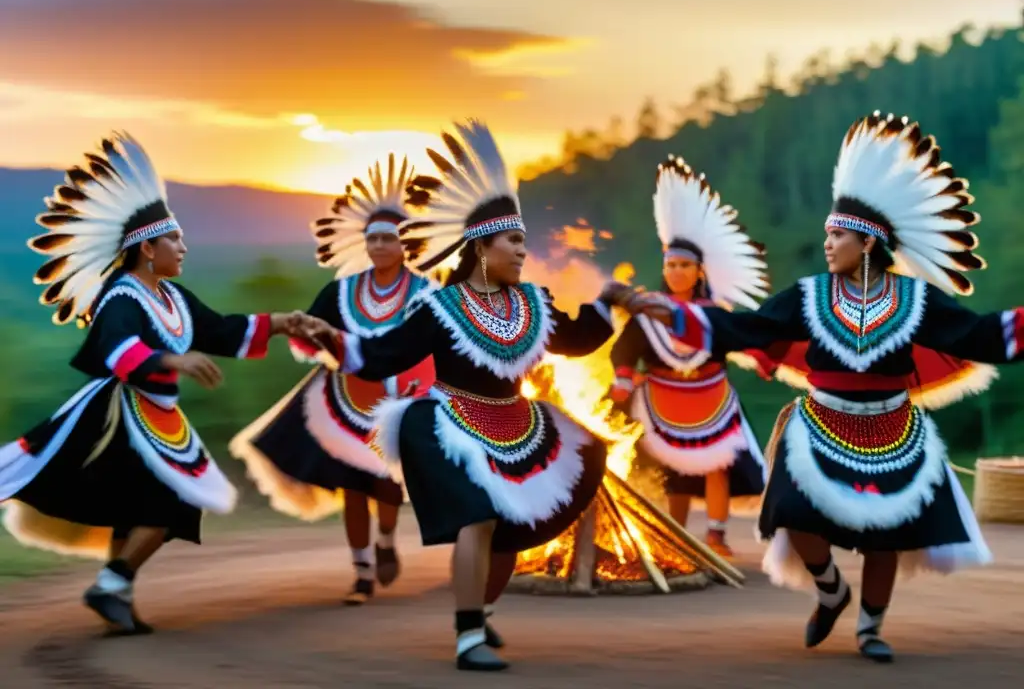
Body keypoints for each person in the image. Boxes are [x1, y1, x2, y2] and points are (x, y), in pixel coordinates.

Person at [295, 120, 664, 671]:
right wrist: (335, 342)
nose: (522, 251)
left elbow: (578, 339)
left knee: (510, 535)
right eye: (513, 242)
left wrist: (611, 300)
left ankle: (480, 612)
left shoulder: (533, 304)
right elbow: (383, 356)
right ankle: (467, 636)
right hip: (449, 425)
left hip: (516, 425)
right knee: (479, 519)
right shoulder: (439, 310)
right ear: (481, 247)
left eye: (523, 241)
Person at [653, 112, 1016, 663]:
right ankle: (831, 591)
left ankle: (871, 628)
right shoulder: (807, 296)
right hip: (820, 424)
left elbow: (978, 334)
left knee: (887, 534)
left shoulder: (916, 301)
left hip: (893, 430)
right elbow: (749, 328)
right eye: (826, 233)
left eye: (838, 235)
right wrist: (669, 314)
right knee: (794, 514)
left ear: (868, 243)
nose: (827, 243)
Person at [0, 133, 332, 636]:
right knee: (169, 504)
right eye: (173, 239)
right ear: (147, 249)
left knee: (137, 511)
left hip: (153, 418)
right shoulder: (121, 298)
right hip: (115, 418)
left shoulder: (173, 298)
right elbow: (116, 352)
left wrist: (286, 321)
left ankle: (117, 593)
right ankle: (113, 583)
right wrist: (172, 360)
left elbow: (220, 329)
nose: (183, 246)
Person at [230, 154, 439, 606]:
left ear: (405, 244)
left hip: (401, 400)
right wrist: (310, 333)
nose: (380, 245)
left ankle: (386, 538)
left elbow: (436, 347)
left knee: (386, 485)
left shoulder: (426, 292)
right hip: (343, 403)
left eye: (389, 238)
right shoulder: (342, 291)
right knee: (353, 488)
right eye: (374, 239)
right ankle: (361, 574)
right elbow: (310, 334)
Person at [608, 156, 770, 557]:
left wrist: (764, 357)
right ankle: (674, 537)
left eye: (685, 265)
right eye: (671, 264)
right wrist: (624, 376)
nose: (677, 271)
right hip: (661, 395)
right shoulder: (647, 309)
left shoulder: (715, 313)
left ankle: (716, 535)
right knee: (672, 471)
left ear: (700, 271)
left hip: (711, 395)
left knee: (718, 466)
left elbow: (740, 336)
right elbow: (625, 346)